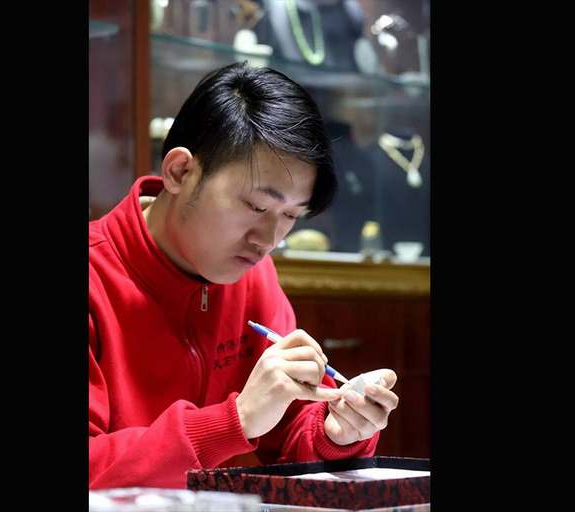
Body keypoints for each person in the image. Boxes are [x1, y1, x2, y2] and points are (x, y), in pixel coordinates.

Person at [89, 62, 399, 489]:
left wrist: (335, 433)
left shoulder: (253, 275)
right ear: (180, 172)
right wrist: (233, 421)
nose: (268, 240)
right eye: (255, 206)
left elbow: (290, 433)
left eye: (290, 215)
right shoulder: (97, 276)